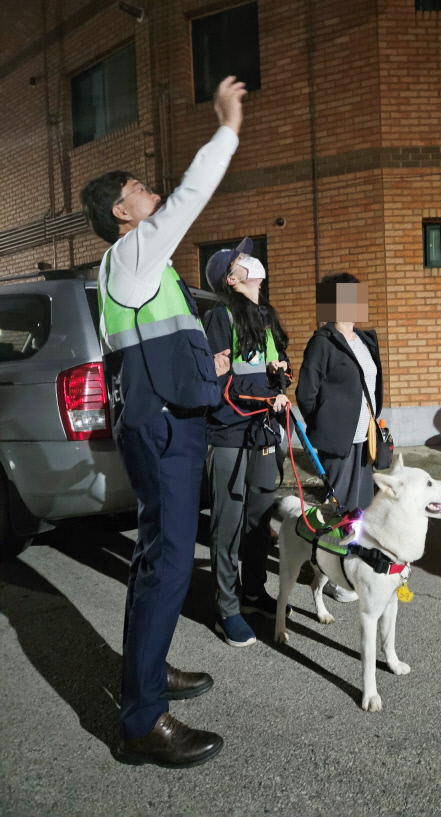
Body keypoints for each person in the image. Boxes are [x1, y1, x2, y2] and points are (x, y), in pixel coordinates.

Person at [79, 76, 246, 768]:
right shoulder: (135, 251)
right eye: (141, 190)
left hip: (159, 423)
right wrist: (228, 128)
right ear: (123, 212)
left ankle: (146, 671)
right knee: (171, 562)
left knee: (156, 557)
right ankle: (143, 717)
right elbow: (189, 196)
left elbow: (157, 344)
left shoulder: (134, 269)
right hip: (165, 430)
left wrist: (206, 362)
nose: (154, 195)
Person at [204, 240, 291, 647]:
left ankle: (254, 592)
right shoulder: (220, 317)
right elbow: (221, 383)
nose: (250, 262)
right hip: (230, 434)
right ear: (231, 278)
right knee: (228, 522)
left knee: (258, 519)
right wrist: (265, 394)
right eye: (241, 261)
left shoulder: (264, 316)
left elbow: (269, 372)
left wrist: (280, 377)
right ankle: (227, 608)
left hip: (263, 432)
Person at [296, 273, 383, 601]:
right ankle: (332, 576)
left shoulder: (364, 339)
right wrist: (325, 425)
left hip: (366, 437)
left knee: (360, 507)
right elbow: (306, 393)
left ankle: (351, 567)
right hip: (339, 439)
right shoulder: (323, 341)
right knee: (340, 510)